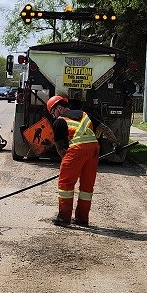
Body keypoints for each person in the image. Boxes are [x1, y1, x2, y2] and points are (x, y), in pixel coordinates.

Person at [47, 95, 101, 227]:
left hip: (77, 150)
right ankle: (82, 219)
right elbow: (102, 128)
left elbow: (60, 148)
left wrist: (68, 166)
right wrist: (116, 144)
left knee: (65, 184)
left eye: (52, 112)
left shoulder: (59, 122)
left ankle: (63, 218)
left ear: (59, 107)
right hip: (94, 149)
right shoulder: (84, 114)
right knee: (87, 187)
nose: (53, 116)